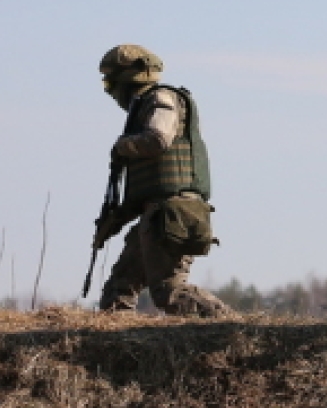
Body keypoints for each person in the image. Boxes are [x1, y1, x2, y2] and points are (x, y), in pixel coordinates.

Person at [93, 45, 233, 316]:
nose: (110, 92)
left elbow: (158, 138)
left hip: (172, 216)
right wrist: (116, 219)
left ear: (128, 81)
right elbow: (149, 185)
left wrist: (124, 146)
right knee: (118, 290)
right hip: (156, 215)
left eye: (110, 83)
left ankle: (231, 325)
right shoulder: (143, 108)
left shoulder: (161, 99)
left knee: (169, 292)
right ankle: (119, 347)